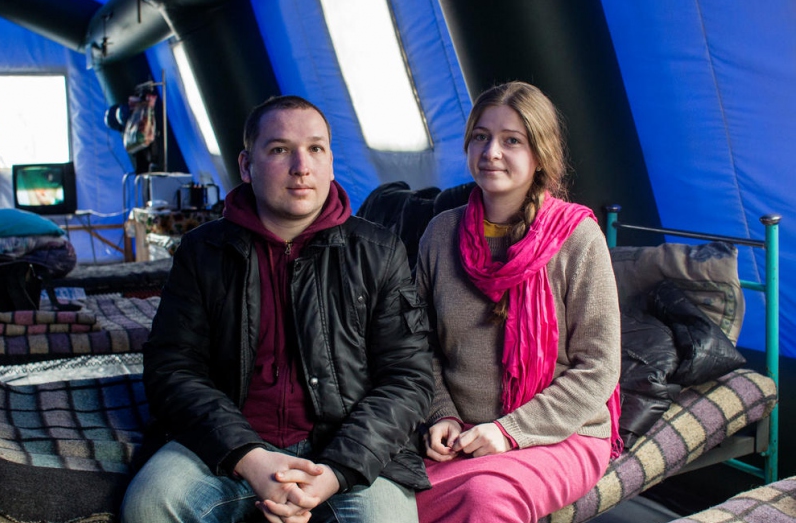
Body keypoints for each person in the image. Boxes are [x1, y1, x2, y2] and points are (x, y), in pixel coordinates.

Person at [121, 95, 434, 523]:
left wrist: (336, 472)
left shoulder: (379, 252)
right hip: (232, 444)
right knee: (149, 504)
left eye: (316, 149)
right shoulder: (204, 251)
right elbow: (171, 367)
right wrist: (248, 457)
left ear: (330, 162)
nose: (301, 166)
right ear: (247, 166)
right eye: (280, 149)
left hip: (346, 450)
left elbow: (408, 377)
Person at [413, 81, 622, 522]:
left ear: (540, 153)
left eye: (512, 140)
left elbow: (599, 368)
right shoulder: (439, 234)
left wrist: (510, 432)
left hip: (561, 433)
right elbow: (418, 344)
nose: (491, 152)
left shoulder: (578, 239)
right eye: (481, 137)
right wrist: (442, 414)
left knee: (485, 498)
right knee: (379, 490)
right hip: (462, 433)